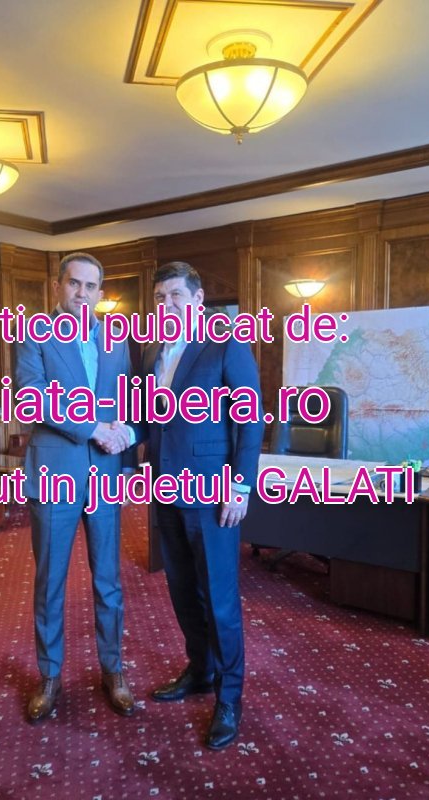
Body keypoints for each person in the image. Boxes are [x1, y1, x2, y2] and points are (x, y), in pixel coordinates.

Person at [139, 261, 264, 750]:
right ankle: (200, 670)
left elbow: (250, 419)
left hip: (213, 495)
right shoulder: (153, 353)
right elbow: (149, 419)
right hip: (164, 489)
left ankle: (229, 697)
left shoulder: (225, 343)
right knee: (182, 590)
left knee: (220, 599)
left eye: (175, 295)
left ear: (197, 298)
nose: (166, 304)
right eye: (159, 297)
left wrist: (240, 485)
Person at [13, 252, 135, 721]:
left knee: (109, 581)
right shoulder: (34, 333)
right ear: (58, 286)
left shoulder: (116, 339)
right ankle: (49, 675)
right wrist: (93, 429)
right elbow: (32, 397)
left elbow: (128, 397)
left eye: (90, 286)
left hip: (105, 475)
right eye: (74, 283)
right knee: (51, 581)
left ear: (100, 292)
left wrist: (123, 431)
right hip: (54, 474)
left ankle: (113, 670)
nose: (82, 293)